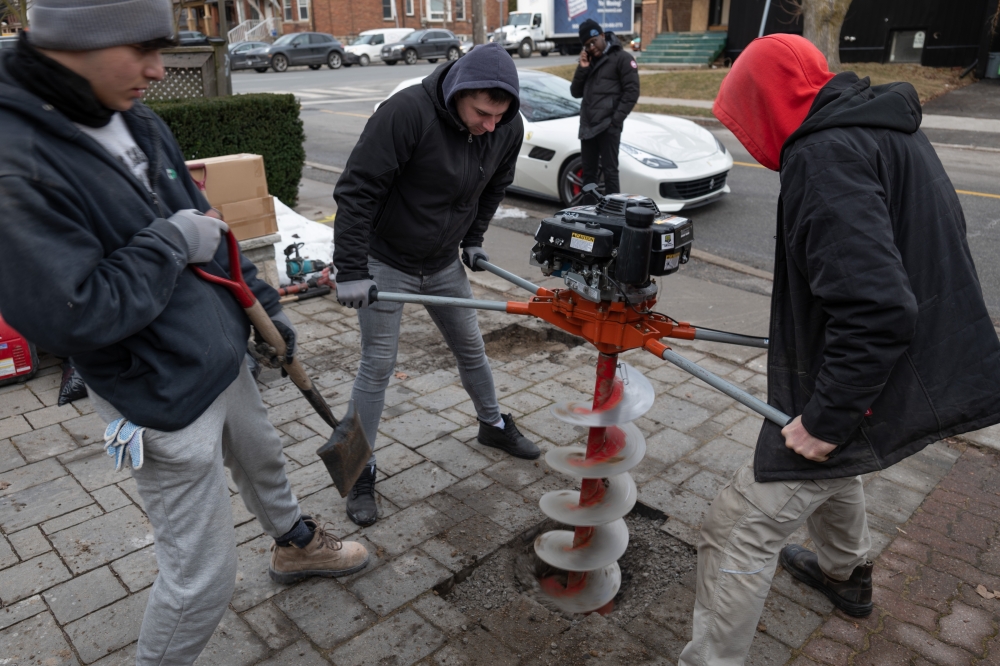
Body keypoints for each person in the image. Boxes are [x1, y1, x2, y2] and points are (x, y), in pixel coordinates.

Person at [0, 1, 368, 663]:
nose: (158, 67)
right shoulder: (17, 161)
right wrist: (169, 242)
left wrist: (264, 308)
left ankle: (296, 543)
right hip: (158, 393)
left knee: (262, 457)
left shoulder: (131, 117)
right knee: (203, 580)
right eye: (141, 48)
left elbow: (210, 227)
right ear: (72, 45)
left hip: (222, 349)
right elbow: (72, 313)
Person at [678, 34, 1000, 665]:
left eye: (744, 118)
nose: (746, 138)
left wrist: (828, 417)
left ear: (768, 101)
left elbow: (878, 308)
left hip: (881, 375)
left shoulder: (823, 155)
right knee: (824, 463)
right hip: (919, 359)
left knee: (737, 526)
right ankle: (845, 574)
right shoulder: (883, 126)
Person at [332, 43, 538, 527]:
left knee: (471, 346)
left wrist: (474, 239)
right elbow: (357, 191)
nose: (490, 125)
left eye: (499, 115)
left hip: (444, 262)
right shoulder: (405, 114)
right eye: (482, 113)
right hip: (386, 260)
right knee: (377, 366)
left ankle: (493, 425)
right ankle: (356, 469)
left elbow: (495, 186)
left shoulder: (505, 126)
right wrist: (350, 269)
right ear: (459, 92)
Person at [570, 18, 640, 198]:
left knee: (610, 172)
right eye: (587, 45)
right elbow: (575, 92)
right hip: (588, 127)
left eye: (593, 41)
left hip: (608, 127)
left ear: (602, 35)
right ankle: (589, 214)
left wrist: (615, 122)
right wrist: (582, 67)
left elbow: (632, 92)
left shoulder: (622, 58)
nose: (591, 47)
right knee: (589, 176)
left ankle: (613, 214)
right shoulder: (589, 62)